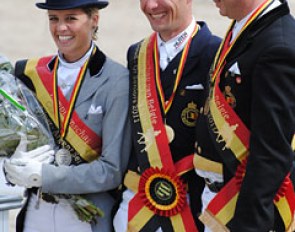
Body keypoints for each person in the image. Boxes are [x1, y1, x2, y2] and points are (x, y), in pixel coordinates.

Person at [3, 0, 131, 231]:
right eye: (54, 19)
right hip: (37, 212)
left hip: (88, 217)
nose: (61, 28)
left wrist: (45, 176)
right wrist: (13, 167)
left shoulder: (116, 80)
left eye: (71, 18)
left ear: (94, 20)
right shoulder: (30, 73)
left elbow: (111, 171)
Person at [113, 0, 221, 231]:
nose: (151, 5)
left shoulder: (216, 52)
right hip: (137, 204)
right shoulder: (137, 53)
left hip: (191, 206)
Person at [194, 0, 295, 231]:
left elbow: (271, 152)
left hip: (240, 207)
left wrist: (249, 226)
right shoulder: (249, 27)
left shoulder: (278, 46)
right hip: (216, 198)